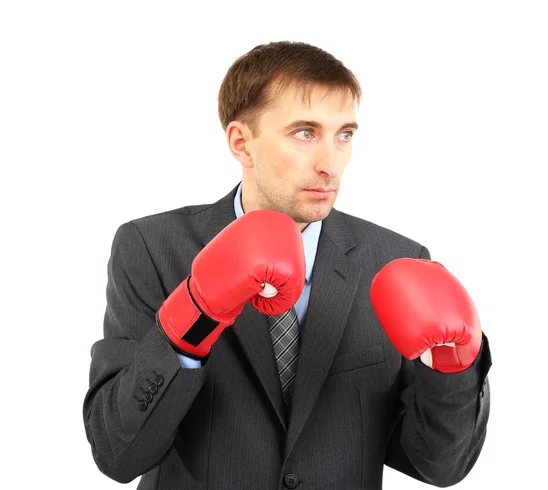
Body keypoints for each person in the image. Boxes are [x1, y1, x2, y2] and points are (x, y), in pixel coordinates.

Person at [83, 40, 492, 490]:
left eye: (344, 135)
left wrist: (454, 367)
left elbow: (438, 466)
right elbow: (118, 453)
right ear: (242, 143)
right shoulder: (153, 247)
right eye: (305, 133)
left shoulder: (394, 261)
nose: (330, 165)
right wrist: (192, 318)